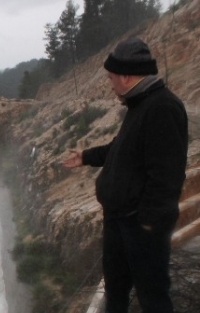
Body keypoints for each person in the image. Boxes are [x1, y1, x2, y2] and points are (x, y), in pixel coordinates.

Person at [62, 37, 188, 313]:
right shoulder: (139, 105)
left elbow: (167, 178)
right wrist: (86, 156)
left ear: (127, 76)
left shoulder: (162, 108)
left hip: (140, 228)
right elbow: (119, 149)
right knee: (116, 292)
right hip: (120, 222)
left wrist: (147, 224)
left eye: (111, 77)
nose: (109, 83)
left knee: (153, 298)